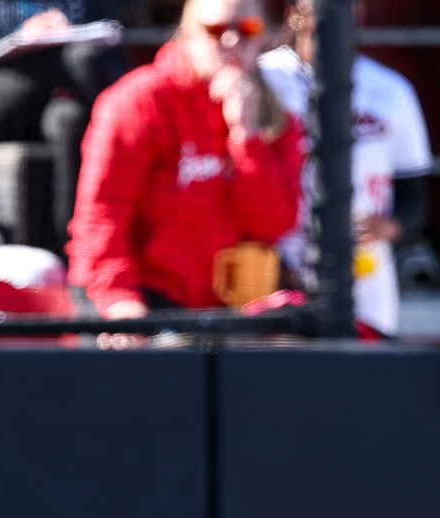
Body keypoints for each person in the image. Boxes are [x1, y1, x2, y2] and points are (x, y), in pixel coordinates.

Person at [68, 0, 302, 320]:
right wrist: (119, 301)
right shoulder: (139, 101)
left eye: (247, 29)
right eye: (216, 30)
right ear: (187, 33)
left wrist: (245, 138)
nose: (232, 41)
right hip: (150, 304)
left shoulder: (273, 114)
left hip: (231, 311)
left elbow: (274, 225)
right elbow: (101, 219)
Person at [258, 0, 431, 337]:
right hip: (276, 260)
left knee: (363, 375)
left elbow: (415, 195)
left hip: (363, 269)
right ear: (294, 13)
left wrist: (387, 227)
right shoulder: (264, 79)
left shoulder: (390, 90)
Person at [0, 0, 125, 246]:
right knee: (75, 59)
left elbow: (113, 49)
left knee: (68, 119)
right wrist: (20, 39)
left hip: (64, 97)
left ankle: (78, 249)